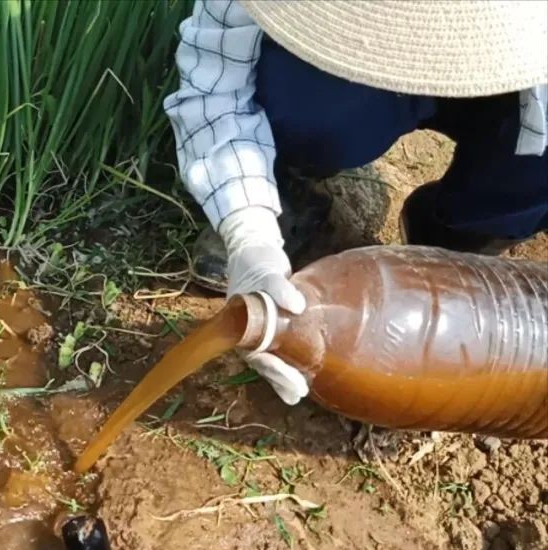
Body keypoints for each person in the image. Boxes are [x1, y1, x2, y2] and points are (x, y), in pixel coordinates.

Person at [165, 0, 547, 405]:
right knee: (301, 102)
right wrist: (249, 234)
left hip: (516, 87)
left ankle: (464, 236)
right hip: (352, 86)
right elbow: (216, 92)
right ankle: (282, 181)